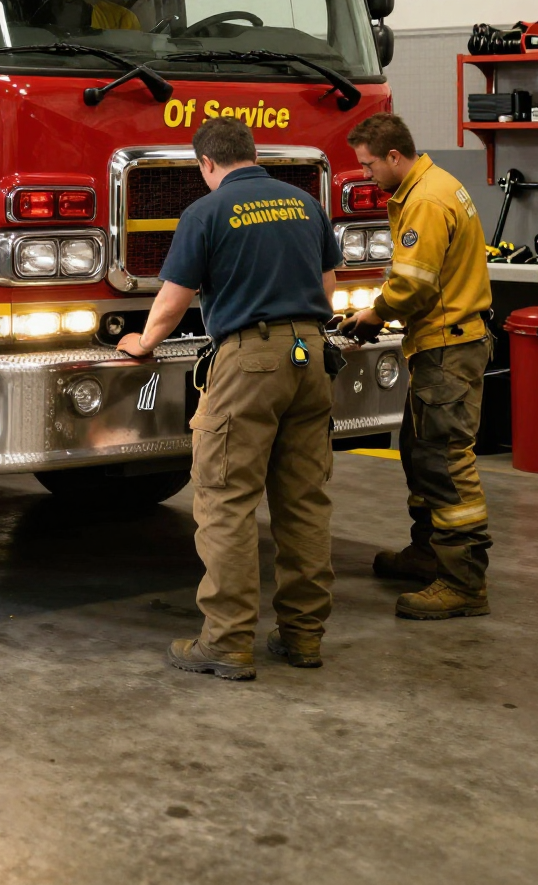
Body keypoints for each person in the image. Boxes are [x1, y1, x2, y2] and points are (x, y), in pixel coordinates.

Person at [117, 117, 340, 680]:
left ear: (206, 164)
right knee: (304, 501)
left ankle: (227, 640)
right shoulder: (303, 203)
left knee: (226, 502)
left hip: (249, 359)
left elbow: (174, 297)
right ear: (252, 153)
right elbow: (328, 284)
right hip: (311, 355)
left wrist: (143, 342)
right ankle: (303, 636)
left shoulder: (206, 211)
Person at [341, 114, 493, 620]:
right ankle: (428, 554)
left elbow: (413, 284)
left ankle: (463, 582)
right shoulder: (432, 184)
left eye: (368, 165)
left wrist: (373, 314)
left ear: (393, 156)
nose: (365, 175)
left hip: (447, 348)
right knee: (419, 450)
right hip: (440, 343)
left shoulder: (426, 201)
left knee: (446, 461)